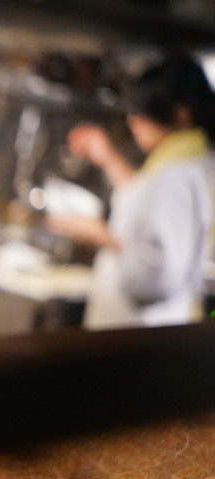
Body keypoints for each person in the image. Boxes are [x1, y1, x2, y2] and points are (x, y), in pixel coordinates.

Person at [48, 54, 215, 329]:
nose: (134, 123)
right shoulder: (183, 163)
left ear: (180, 114)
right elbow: (147, 201)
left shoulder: (178, 177)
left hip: (137, 335)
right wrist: (107, 156)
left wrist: (103, 235)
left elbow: (158, 278)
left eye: (143, 113)